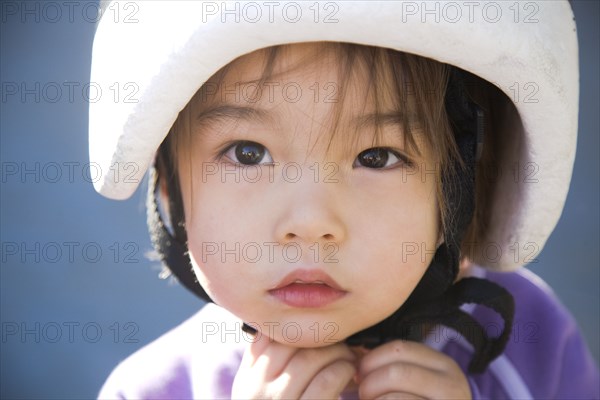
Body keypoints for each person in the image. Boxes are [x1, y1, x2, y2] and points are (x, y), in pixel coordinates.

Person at [90, 1, 599, 398]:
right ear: (167, 185)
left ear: (458, 186)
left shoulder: (529, 340)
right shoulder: (150, 390)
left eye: (377, 157)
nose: (311, 224)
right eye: (247, 153)